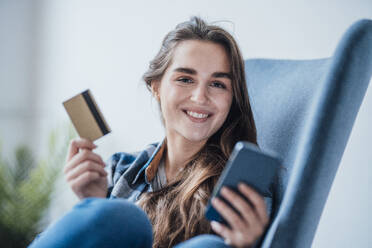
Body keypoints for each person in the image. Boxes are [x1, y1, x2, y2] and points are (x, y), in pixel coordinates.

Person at [28, 16, 273, 248]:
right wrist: (94, 203)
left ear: (232, 99)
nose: (200, 97)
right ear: (156, 87)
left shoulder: (242, 192)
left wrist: (245, 246)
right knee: (120, 217)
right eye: (185, 79)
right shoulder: (120, 170)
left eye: (218, 84)